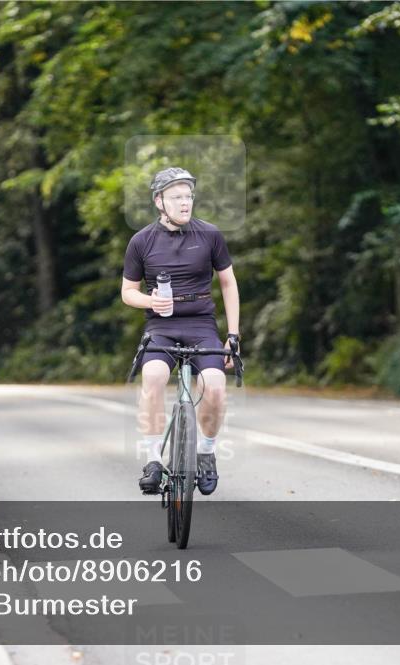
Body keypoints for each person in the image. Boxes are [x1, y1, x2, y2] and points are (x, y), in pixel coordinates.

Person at [121, 167, 241, 496]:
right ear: (159, 201)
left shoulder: (210, 235)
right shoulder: (141, 241)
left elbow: (228, 284)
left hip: (201, 323)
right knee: (154, 378)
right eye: (177, 197)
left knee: (215, 388)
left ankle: (205, 452)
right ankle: (153, 460)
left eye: (188, 196)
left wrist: (233, 336)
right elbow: (127, 291)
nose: (185, 203)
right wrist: (150, 301)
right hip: (160, 327)